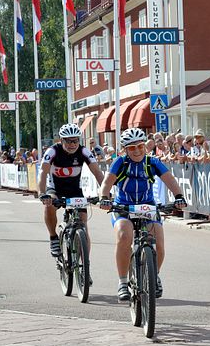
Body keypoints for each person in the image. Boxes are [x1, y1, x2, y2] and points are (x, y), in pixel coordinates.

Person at [98, 128, 187, 302]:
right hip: (124, 206)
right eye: (132, 148)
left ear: (145, 146)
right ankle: (123, 282)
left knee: (159, 243)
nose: (137, 150)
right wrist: (104, 198)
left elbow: (169, 179)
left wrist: (179, 196)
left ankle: (154, 276)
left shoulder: (152, 162)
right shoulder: (120, 163)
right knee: (124, 235)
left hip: (148, 207)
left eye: (140, 146)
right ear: (125, 149)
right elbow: (107, 183)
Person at [38, 123, 105, 259]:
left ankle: (85, 265)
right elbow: (42, 172)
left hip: (75, 190)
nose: (72, 144)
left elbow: (97, 172)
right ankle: (53, 237)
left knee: (83, 226)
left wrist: (105, 194)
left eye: (75, 141)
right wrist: (42, 193)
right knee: (49, 205)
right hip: (55, 189)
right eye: (68, 141)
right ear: (61, 140)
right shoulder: (53, 151)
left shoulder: (84, 151)